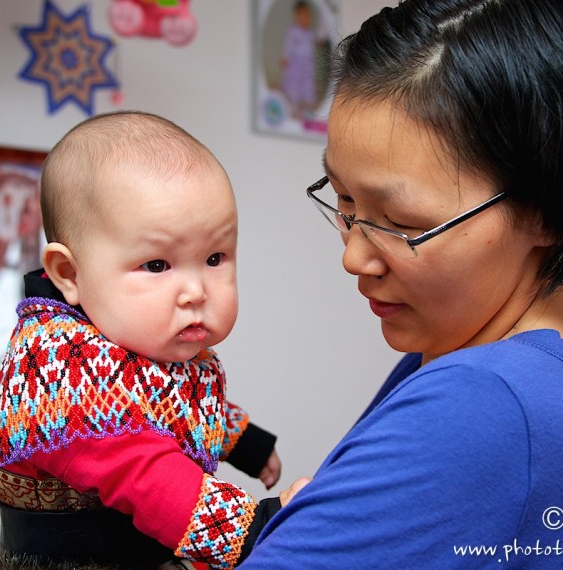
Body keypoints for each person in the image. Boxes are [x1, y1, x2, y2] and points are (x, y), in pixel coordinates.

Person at [239, 0, 563, 567]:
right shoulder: (455, 344)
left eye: (402, 223)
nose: (354, 257)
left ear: (546, 211)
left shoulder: (484, 400)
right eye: (342, 199)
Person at [0, 111, 282, 570]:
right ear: (69, 273)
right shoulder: (62, 374)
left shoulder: (133, 347)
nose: (196, 291)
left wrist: (245, 441)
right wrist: (256, 527)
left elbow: (172, 405)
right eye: (156, 265)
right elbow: (148, 474)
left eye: (214, 257)